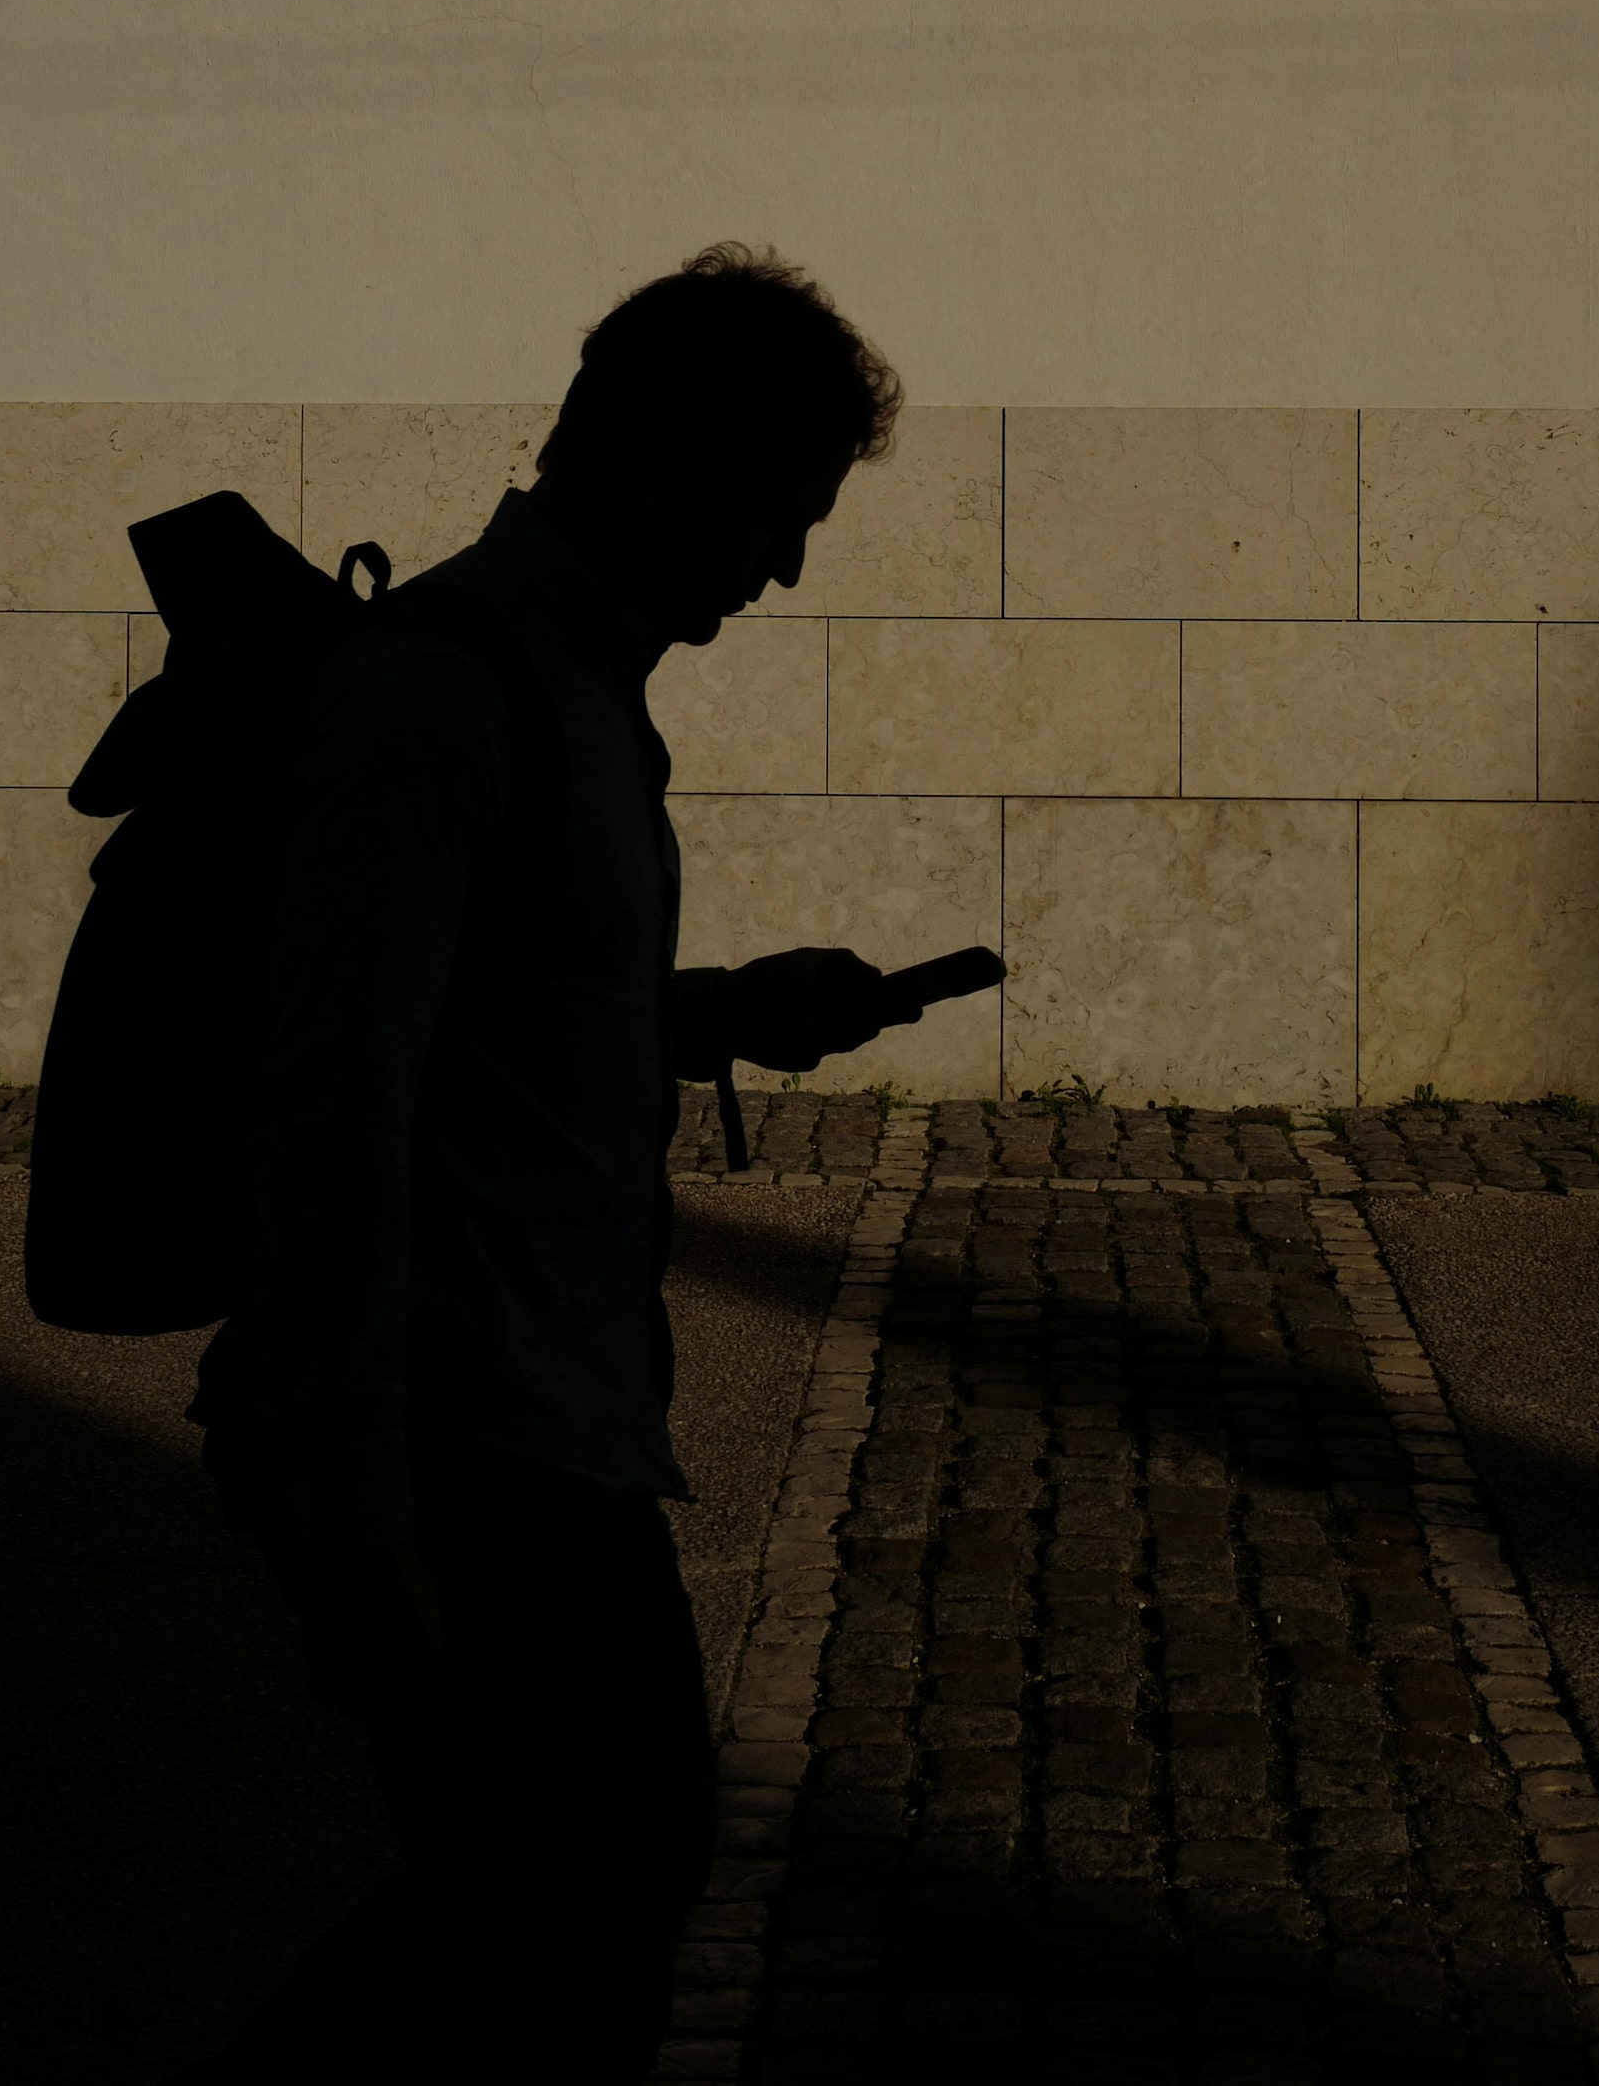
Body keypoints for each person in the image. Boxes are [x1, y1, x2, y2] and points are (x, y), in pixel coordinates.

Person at [192, 244, 967, 2082]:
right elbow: (332, 1111)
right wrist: (356, 1515)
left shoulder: (561, 685)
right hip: (470, 1443)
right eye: (769, 511)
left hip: (540, 1419)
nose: (783, 569)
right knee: (573, 1894)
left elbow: (487, 1013)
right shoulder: (442, 694)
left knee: (555, 1902)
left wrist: (715, 1011)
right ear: (637, 450)